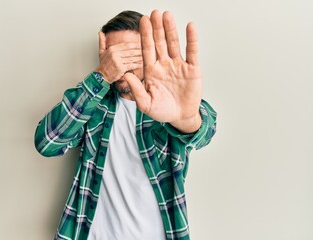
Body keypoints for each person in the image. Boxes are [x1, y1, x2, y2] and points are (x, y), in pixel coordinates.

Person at [34, 9, 217, 240]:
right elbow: (47, 142)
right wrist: (100, 76)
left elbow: (205, 129)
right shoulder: (95, 106)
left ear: (148, 52)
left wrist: (186, 119)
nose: (122, 66)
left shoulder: (169, 104)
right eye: (114, 56)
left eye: (131, 55)